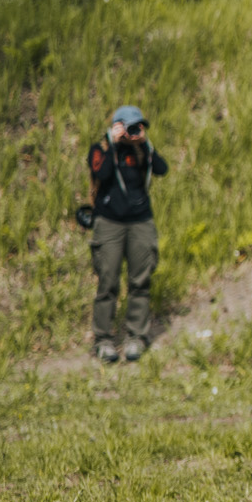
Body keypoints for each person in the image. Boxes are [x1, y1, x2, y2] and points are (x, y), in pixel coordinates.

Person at [86, 104, 169, 363]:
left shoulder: (141, 149)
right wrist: (113, 143)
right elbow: (101, 172)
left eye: (138, 127)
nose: (133, 132)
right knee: (108, 281)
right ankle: (103, 340)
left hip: (141, 222)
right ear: (117, 126)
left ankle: (136, 336)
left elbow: (162, 169)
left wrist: (144, 144)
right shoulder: (101, 149)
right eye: (129, 127)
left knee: (140, 281)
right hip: (109, 223)